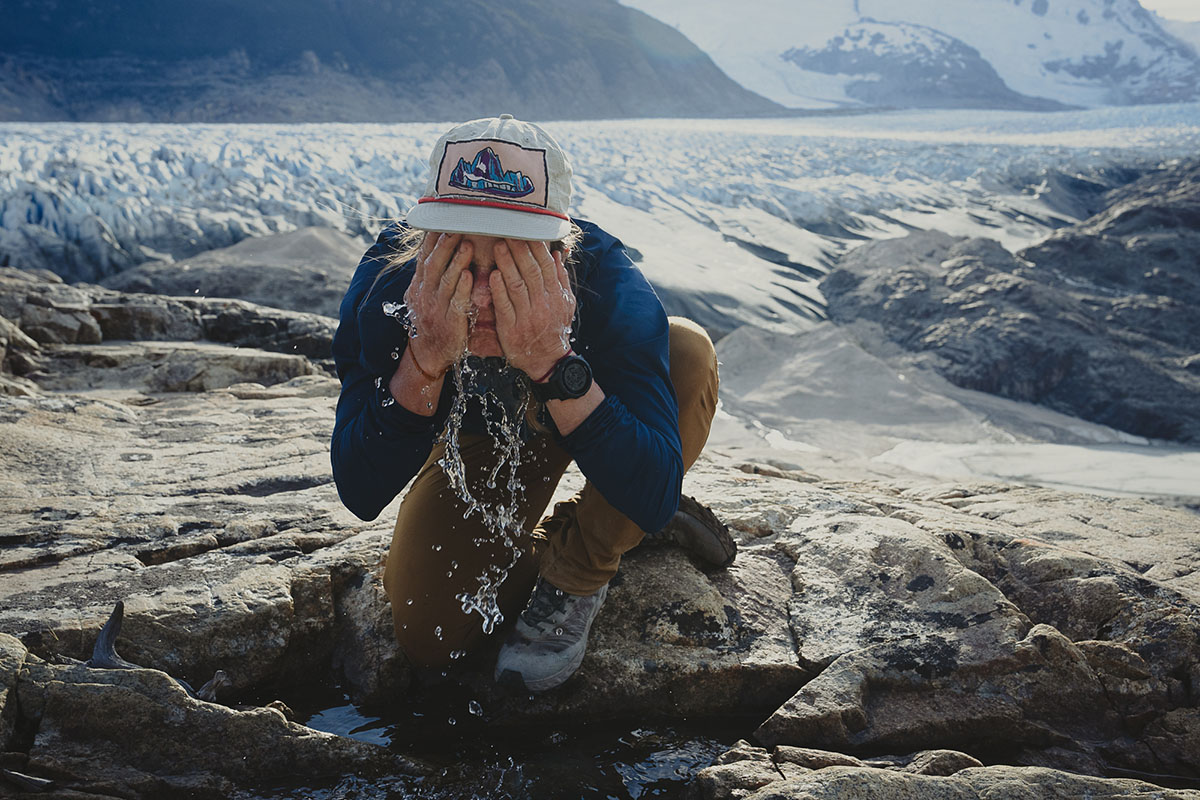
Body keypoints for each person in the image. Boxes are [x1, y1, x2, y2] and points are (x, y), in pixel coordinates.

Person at [330, 114, 730, 693]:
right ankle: (621, 526)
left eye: (514, 263)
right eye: (463, 261)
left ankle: (583, 566)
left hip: (579, 405)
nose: (485, 292)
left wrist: (548, 360)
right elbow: (360, 490)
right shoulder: (390, 290)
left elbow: (651, 491)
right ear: (426, 246)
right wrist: (424, 361)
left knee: (686, 352)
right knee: (430, 636)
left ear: (560, 253)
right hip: (481, 435)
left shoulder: (608, 286)